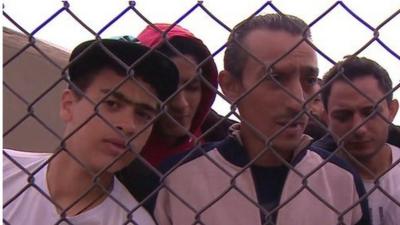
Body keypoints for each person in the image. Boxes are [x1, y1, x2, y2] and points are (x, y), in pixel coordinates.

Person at [154, 14, 371, 225]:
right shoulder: (177, 181)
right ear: (231, 86)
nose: (298, 101)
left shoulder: (341, 180)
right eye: (275, 78)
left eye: (310, 79)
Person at [3, 39, 179, 225]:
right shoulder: (6, 169)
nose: (129, 125)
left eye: (143, 114)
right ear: (68, 104)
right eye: (112, 103)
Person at [117, 24, 235, 205]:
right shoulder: (116, 160)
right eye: (169, 88)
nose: (181, 104)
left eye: (192, 87)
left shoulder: (231, 142)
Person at [311, 56, 400, 225]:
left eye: (370, 112)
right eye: (343, 116)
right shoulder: (312, 182)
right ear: (326, 118)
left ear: (392, 110)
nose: (359, 128)